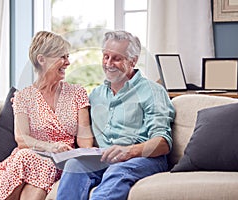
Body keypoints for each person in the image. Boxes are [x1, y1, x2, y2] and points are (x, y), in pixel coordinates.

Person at [56, 30, 175, 200]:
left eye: (116, 58)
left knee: (117, 170)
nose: (108, 63)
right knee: (74, 165)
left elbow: (162, 144)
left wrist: (129, 151)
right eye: (106, 57)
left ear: (132, 61)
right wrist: (29, 101)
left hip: (142, 158)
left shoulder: (153, 92)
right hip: (102, 158)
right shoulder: (96, 94)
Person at [0, 31, 94, 200]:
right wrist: (51, 147)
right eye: (62, 57)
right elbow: (22, 140)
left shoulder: (77, 93)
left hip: (61, 162)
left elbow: (85, 141)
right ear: (42, 60)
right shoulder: (23, 97)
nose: (68, 62)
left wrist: (83, 159)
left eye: (68, 57)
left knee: (41, 164)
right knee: (28, 157)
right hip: (30, 159)